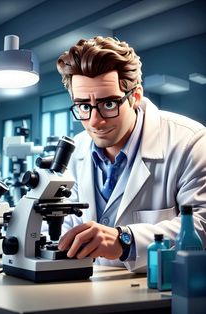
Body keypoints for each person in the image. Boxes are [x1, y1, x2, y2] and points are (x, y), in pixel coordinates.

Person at [56, 36, 206, 272]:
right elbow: (62, 225)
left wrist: (125, 241)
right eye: (84, 106)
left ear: (135, 96)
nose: (96, 120)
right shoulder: (77, 150)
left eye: (108, 104)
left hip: (160, 297)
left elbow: (202, 226)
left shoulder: (190, 141)